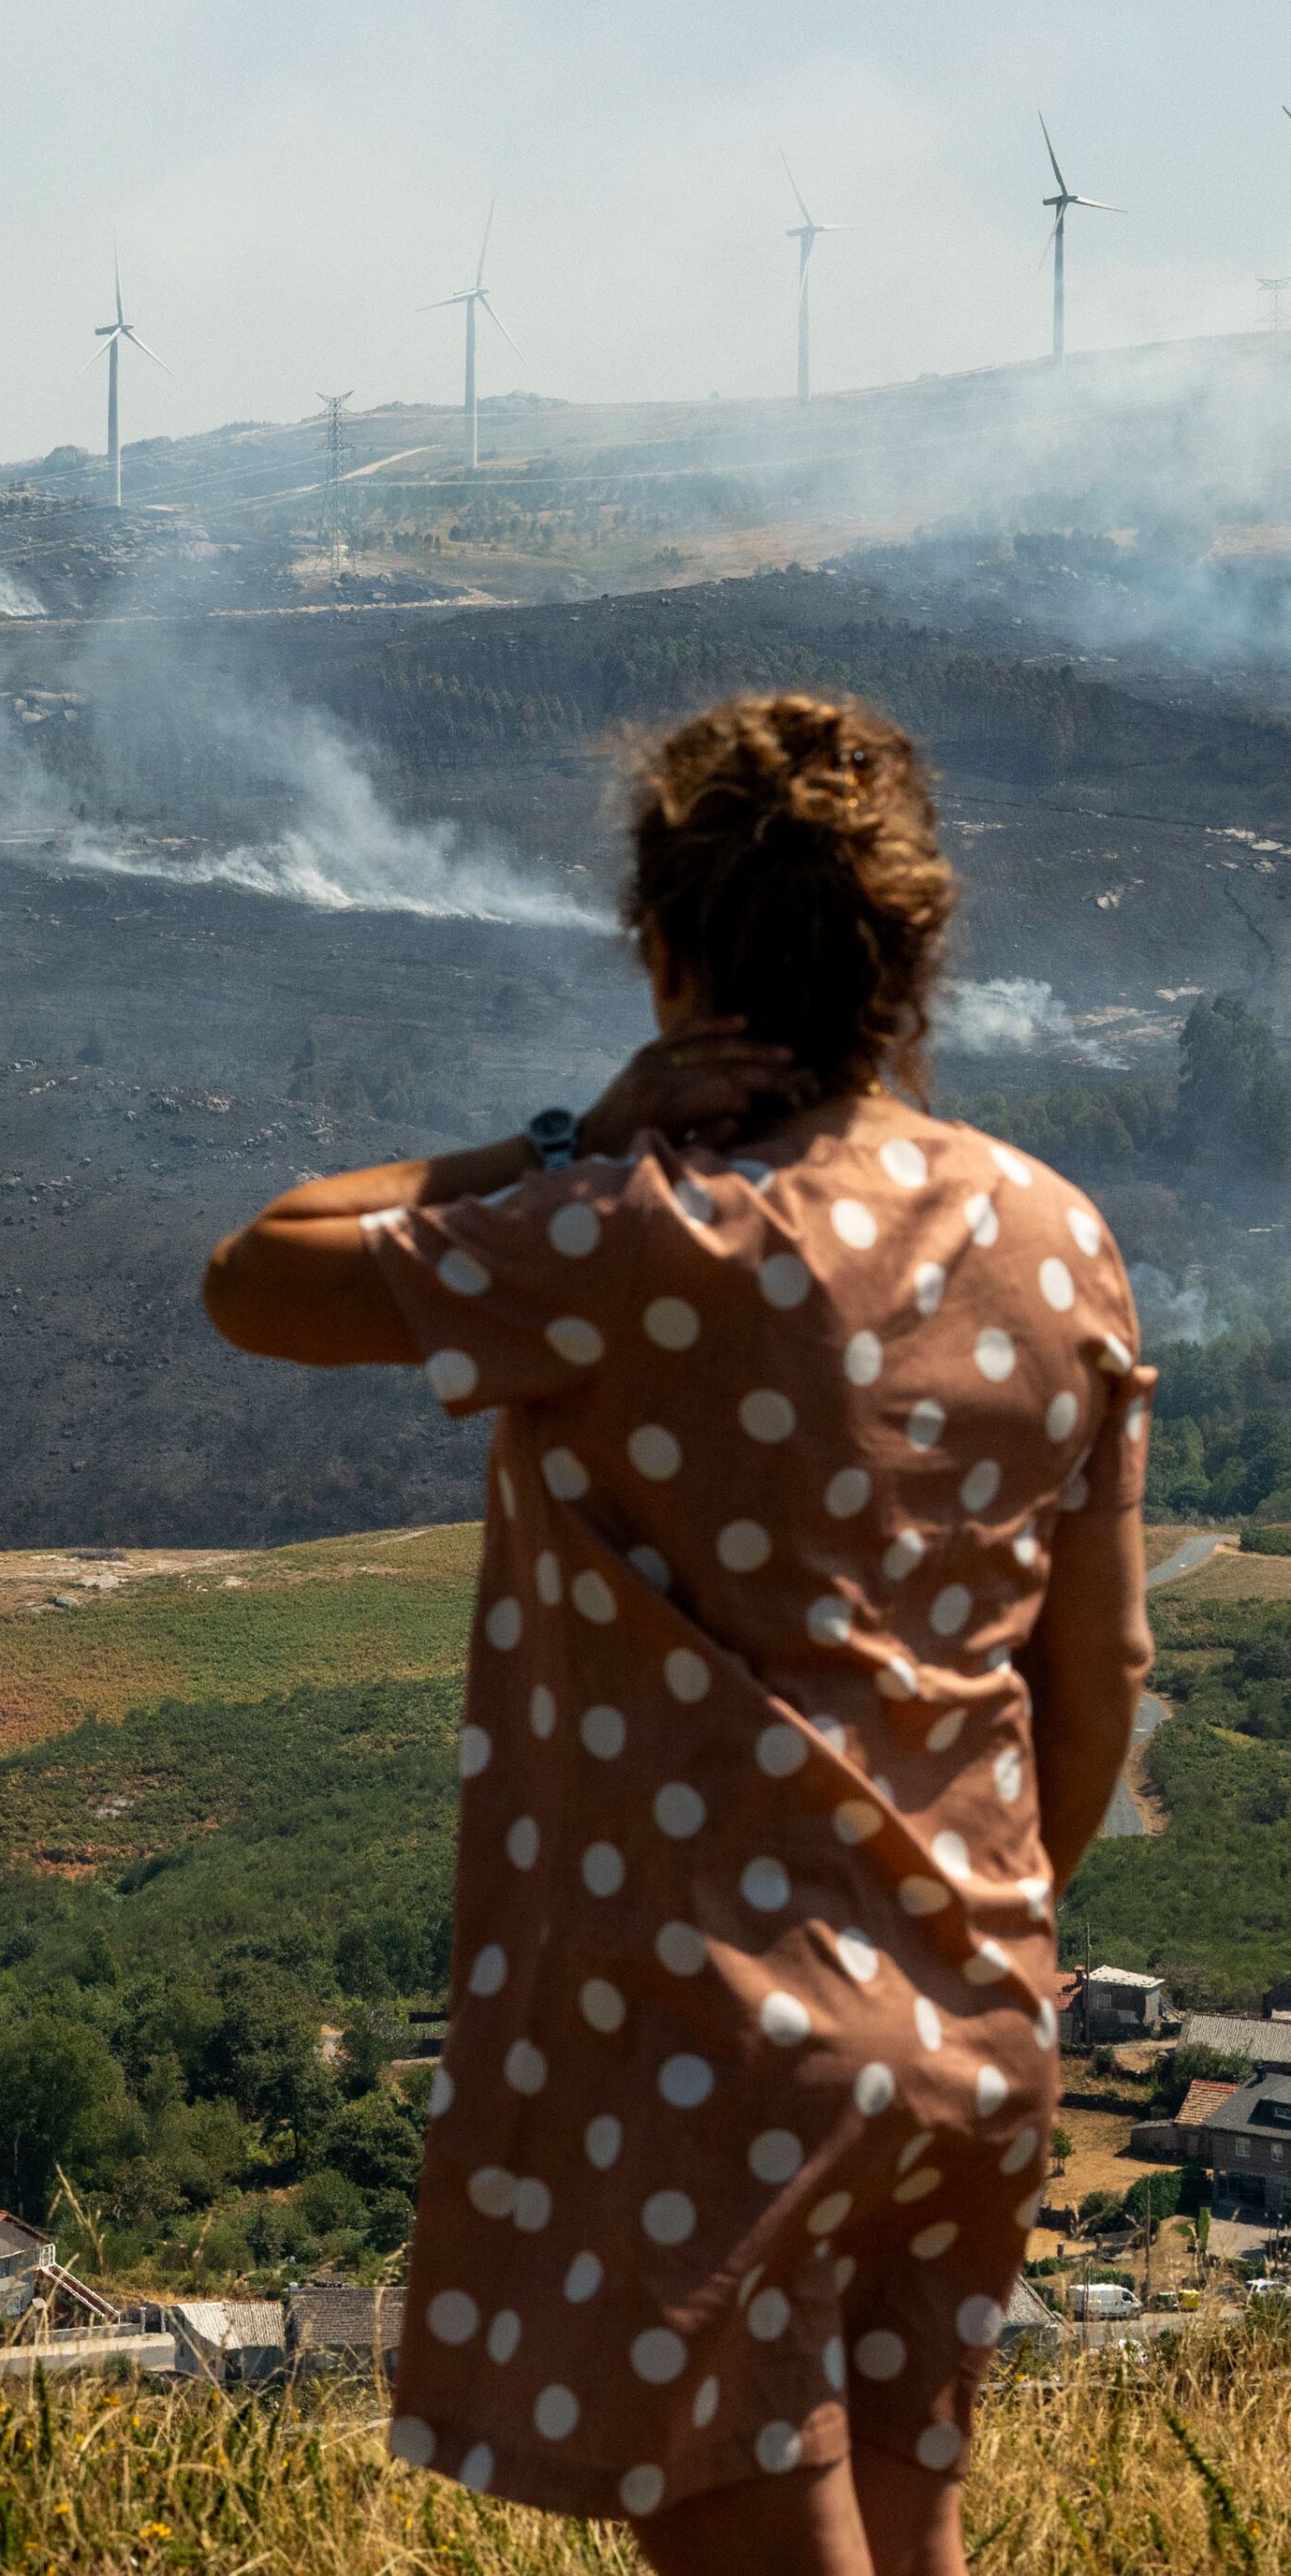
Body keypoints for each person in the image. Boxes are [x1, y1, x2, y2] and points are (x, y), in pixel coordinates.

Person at [202, 693, 1155, 2576]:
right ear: (913, 947)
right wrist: (984, 1913)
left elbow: (258, 1271)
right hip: (974, 2022)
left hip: (711, 2043)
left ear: (666, 948)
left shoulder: (640, 1235)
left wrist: (554, 1138)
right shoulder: (1061, 1240)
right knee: (911, 2537)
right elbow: (1098, 1669)